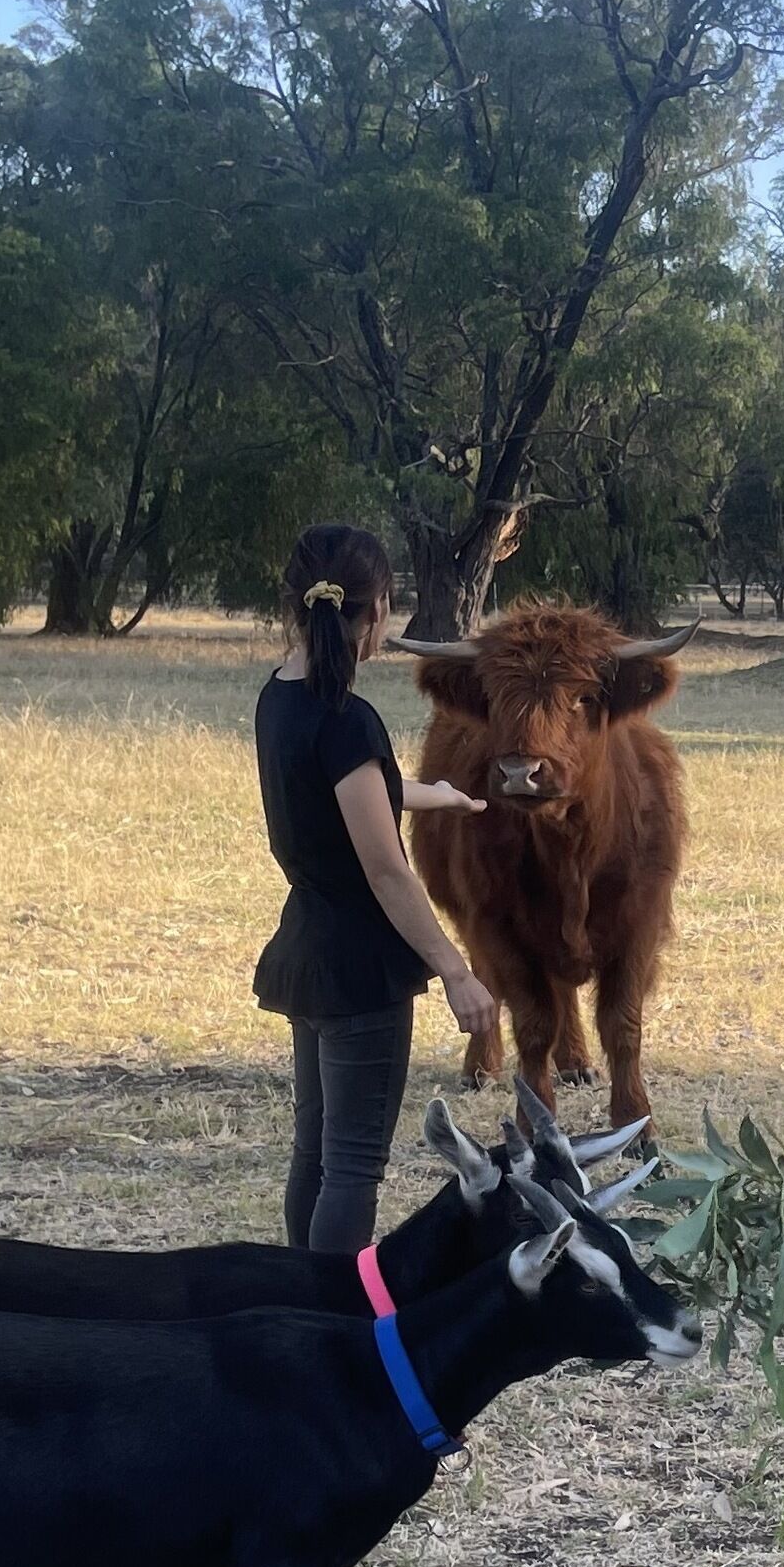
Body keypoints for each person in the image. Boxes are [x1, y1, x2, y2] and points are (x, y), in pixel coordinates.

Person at [252, 526, 500, 1251]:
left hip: (309, 948)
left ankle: (301, 1303)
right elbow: (386, 868)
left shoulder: (280, 697)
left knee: (315, 1155)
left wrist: (439, 796)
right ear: (380, 610)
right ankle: (334, 1325)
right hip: (360, 973)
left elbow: (350, 794)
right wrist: (457, 972)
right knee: (353, 1168)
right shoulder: (347, 719)